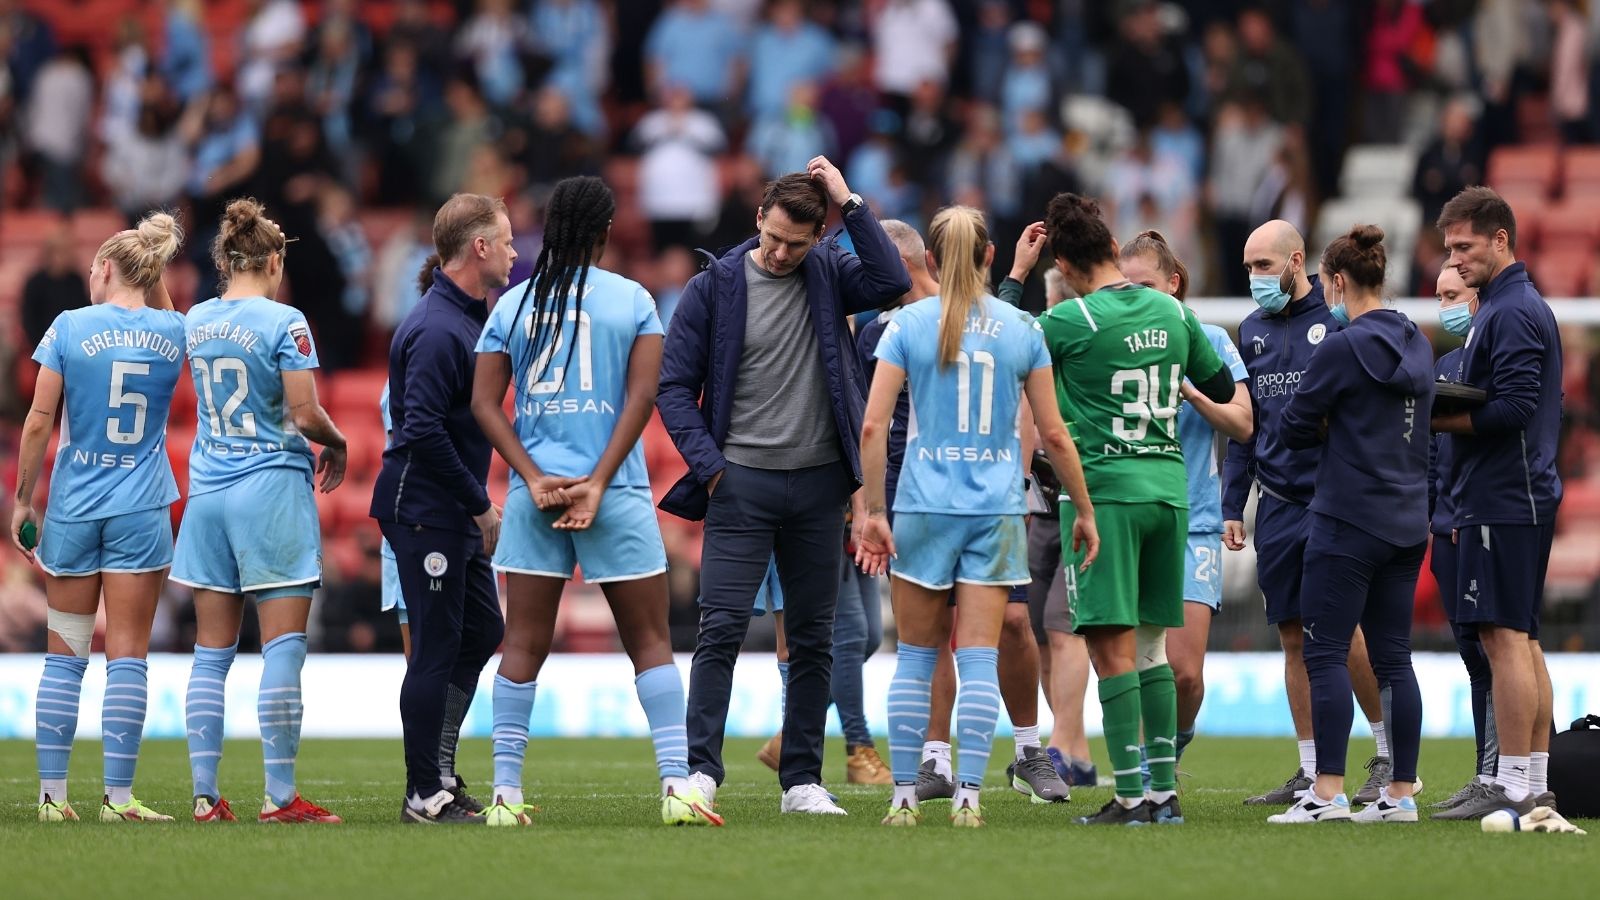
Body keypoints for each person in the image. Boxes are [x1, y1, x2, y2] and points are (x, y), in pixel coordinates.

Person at [656, 158, 910, 817]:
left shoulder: (827, 271)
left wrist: (850, 201)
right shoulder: (713, 286)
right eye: (772, 237)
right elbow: (673, 388)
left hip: (820, 487)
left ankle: (801, 781)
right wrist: (712, 468)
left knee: (815, 638)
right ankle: (701, 772)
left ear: (817, 237)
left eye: (795, 244)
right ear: (758, 219)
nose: (779, 253)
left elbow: (892, 279)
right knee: (719, 630)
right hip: (740, 485)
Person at [469, 176, 717, 827]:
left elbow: (483, 405)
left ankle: (504, 795)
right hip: (616, 492)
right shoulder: (631, 298)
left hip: (537, 496)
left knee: (522, 644)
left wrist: (532, 476)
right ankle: (676, 788)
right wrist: (600, 481)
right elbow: (644, 397)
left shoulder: (512, 304)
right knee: (650, 642)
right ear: (606, 232)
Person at [859, 205, 1099, 828]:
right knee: (977, 657)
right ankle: (968, 796)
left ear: (931, 261)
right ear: (991, 256)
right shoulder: (1022, 328)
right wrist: (1084, 508)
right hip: (995, 511)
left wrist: (873, 511)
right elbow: (1053, 432)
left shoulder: (907, 323)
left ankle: (904, 797)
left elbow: (873, 426)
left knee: (915, 656)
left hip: (921, 506)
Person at [1037, 194, 1238, 826]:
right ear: (1110, 246)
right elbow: (1221, 386)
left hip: (1105, 496)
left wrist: (1015, 275)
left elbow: (1009, 350)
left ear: (1064, 265)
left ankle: (1128, 796)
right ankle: (1162, 794)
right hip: (1170, 494)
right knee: (1152, 647)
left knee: (1110, 650)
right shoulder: (1173, 312)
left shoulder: (1068, 320)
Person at [174, 198, 348, 825]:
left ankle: (204, 796)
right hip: (269, 487)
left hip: (207, 492)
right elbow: (305, 413)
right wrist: (338, 441)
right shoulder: (285, 320)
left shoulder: (196, 319)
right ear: (274, 261)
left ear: (225, 262)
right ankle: (279, 796)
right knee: (283, 647)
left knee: (210, 652)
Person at [12, 213, 186, 823]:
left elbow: (38, 420)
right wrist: (154, 270)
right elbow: (169, 316)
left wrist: (22, 500)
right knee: (128, 655)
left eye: (93, 268)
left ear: (106, 268)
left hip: (74, 508)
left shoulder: (68, 326)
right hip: (141, 508)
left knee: (65, 655)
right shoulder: (173, 331)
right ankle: (118, 798)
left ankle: (53, 798)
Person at [1266, 225, 1433, 824]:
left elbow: (1292, 427)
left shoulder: (1339, 348)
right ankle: (1400, 794)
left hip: (1347, 519)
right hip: (1408, 520)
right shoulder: (1418, 341)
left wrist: (1332, 422)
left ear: (1337, 282)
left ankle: (1327, 792)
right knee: (1395, 660)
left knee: (1326, 653)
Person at [1228, 219, 1395, 807]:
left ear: (1296, 263)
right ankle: (1308, 768)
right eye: (1248, 268)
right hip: (1275, 504)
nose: (1254, 278)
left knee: (1345, 634)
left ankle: (1386, 755)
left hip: (1333, 499)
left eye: (1263, 266)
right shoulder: (1250, 330)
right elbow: (1246, 426)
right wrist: (1232, 504)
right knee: (1293, 637)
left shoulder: (1338, 320)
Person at [372, 193, 515, 825]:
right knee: (433, 647)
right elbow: (423, 430)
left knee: (481, 631)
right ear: (479, 247)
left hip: (449, 508)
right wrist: (479, 503)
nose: (514, 252)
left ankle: (439, 767)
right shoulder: (436, 328)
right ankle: (423, 791)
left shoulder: (466, 320)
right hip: (426, 507)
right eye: (505, 241)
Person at [1430, 186, 1563, 820]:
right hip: (1518, 493)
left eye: (1464, 247)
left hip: (1505, 493)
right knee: (1522, 637)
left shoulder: (1509, 311)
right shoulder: (1511, 305)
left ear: (1500, 239)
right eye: (1450, 249)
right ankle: (1532, 780)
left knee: (1502, 638)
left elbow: (1513, 407)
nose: (1455, 261)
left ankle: (1510, 783)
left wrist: (1436, 418)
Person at [1117, 231, 1252, 765]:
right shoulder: (1115, 343)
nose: (1135, 297)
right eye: (1125, 288)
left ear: (1173, 283)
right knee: (1139, 663)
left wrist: (1193, 393)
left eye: (1146, 286)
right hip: (1133, 516)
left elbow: (1243, 423)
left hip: (1194, 522)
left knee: (1185, 674)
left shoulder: (1210, 340)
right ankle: (1151, 769)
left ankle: (1174, 741)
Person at [1012, 261, 1097, 788]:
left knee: (1065, 629)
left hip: (1071, 503)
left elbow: (1050, 430)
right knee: (1043, 631)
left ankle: (1063, 744)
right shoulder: (1040, 350)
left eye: (1053, 305)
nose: (1046, 316)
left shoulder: (1081, 354)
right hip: (1039, 507)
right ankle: (1075, 749)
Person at [1426, 265, 1498, 813]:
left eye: (1452, 294)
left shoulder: (1495, 362)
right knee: (1475, 657)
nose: (1444, 305)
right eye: (1439, 296)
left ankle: (1506, 771)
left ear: (1477, 299)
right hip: (1446, 530)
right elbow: (1432, 458)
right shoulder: (1444, 367)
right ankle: (1484, 771)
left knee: (1498, 650)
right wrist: (1435, 516)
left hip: (1485, 522)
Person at [378, 383, 409, 659]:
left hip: (463, 520)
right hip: (420, 522)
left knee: (483, 633)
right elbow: (408, 451)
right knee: (425, 656)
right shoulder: (404, 379)